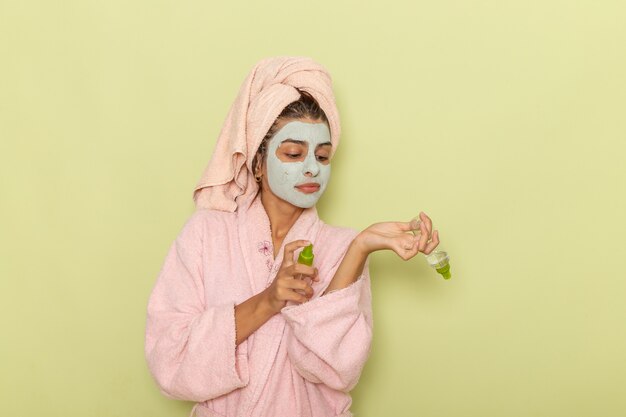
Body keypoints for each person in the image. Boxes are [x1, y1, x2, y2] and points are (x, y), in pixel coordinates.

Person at [144, 56, 439, 417]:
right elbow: (169, 359)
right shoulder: (206, 234)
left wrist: (359, 248)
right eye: (294, 153)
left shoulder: (340, 247)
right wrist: (270, 300)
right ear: (258, 160)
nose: (312, 167)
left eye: (323, 155)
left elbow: (334, 370)